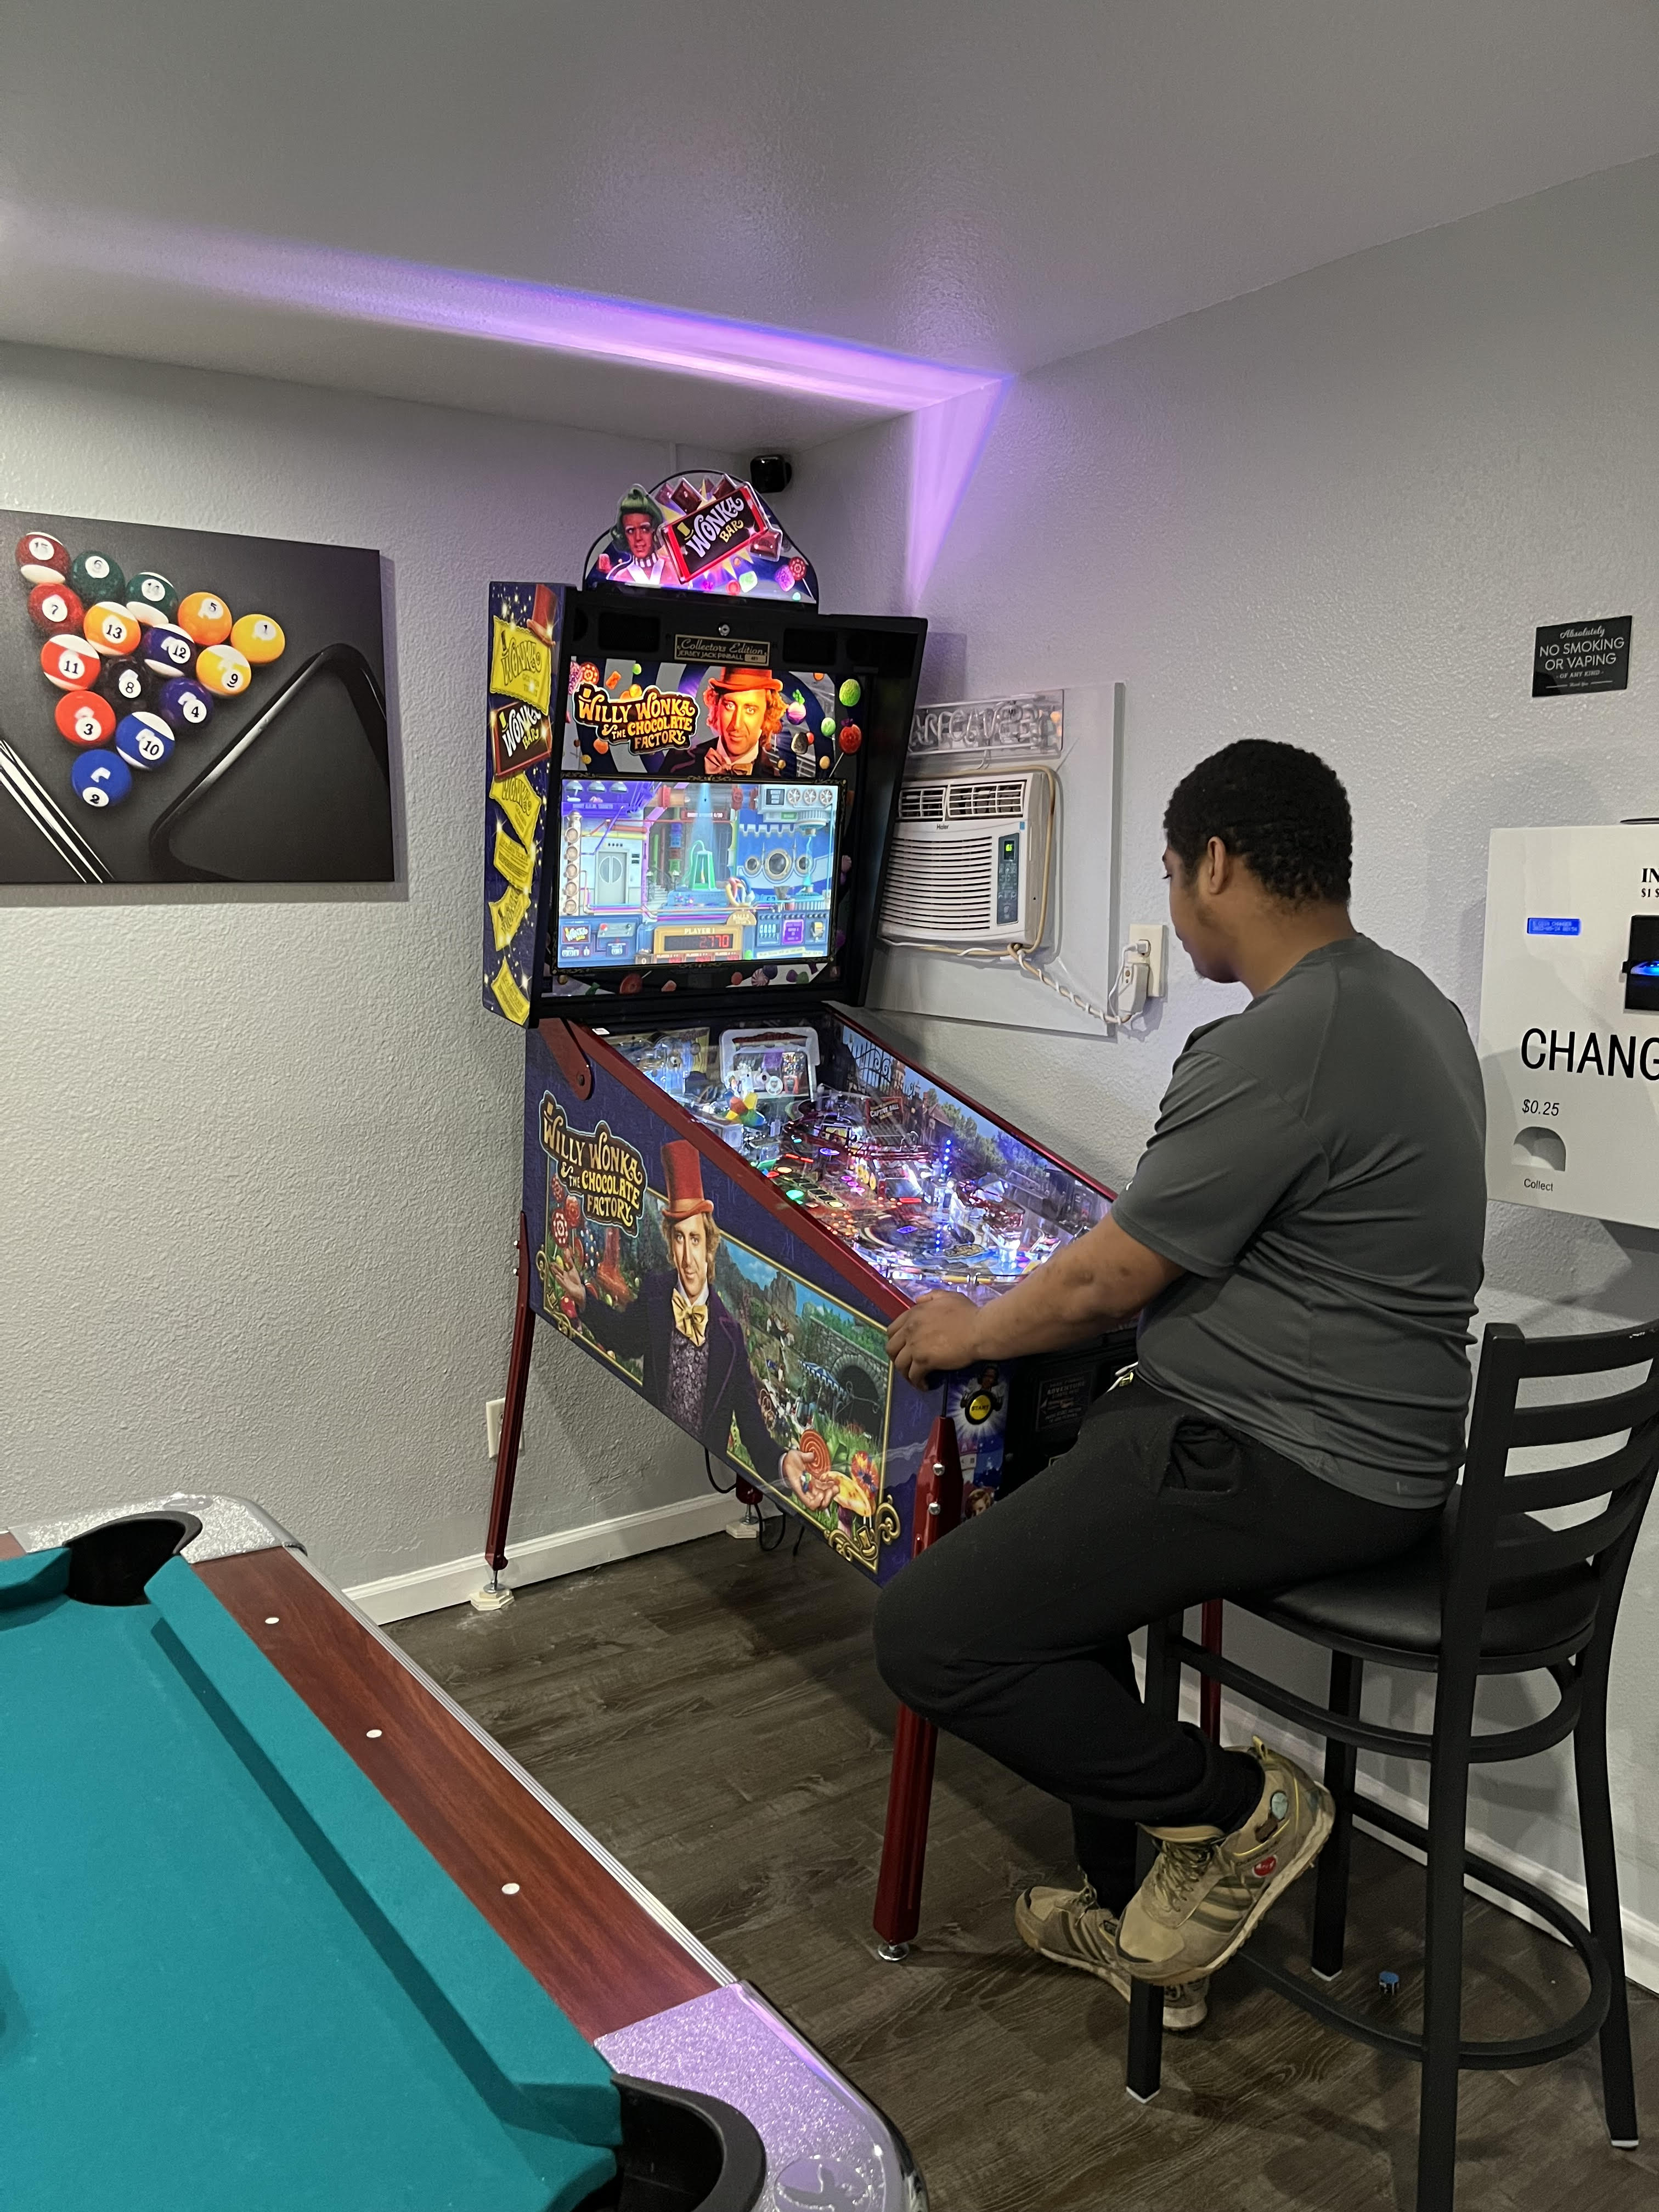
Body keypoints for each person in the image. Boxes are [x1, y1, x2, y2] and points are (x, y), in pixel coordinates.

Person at [875, 740, 1485, 2033]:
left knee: (934, 1632)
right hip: (1376, 1435)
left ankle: (1238, 1816)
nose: (1170, 900)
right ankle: (1150, 1915)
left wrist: (971, 1328)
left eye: (1169, 870)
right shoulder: (1410, 1001)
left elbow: (1106, 1281)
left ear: (1216, 863)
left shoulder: (1288, 1038)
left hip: (1290, 1450)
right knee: (1063, 1530)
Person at [557, 1138, 811, 1502]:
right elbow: (624, 1340)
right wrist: (583, 1298)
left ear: (709, 1247)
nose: (688, 1256)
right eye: (679, 1238)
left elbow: (754, 1434)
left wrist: (784, 1462)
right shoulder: (656, 1294)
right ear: (670, 1243)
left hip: (699, 1461)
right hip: (652, 1445)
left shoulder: (730, 1334)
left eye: (695, 1239)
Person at [702, 666, 786, 775]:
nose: (737, 725)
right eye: (730, 705)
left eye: (750, 710)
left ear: (767, 716)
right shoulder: (678, 762)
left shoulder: (774, 781)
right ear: (717, 705)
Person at [603, 488, 675, 588]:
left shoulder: (674, 572)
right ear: (624, 535)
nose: (638, 538)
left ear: (654, 529)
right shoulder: (621, 578)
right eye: (631, 531)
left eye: (645, 529)